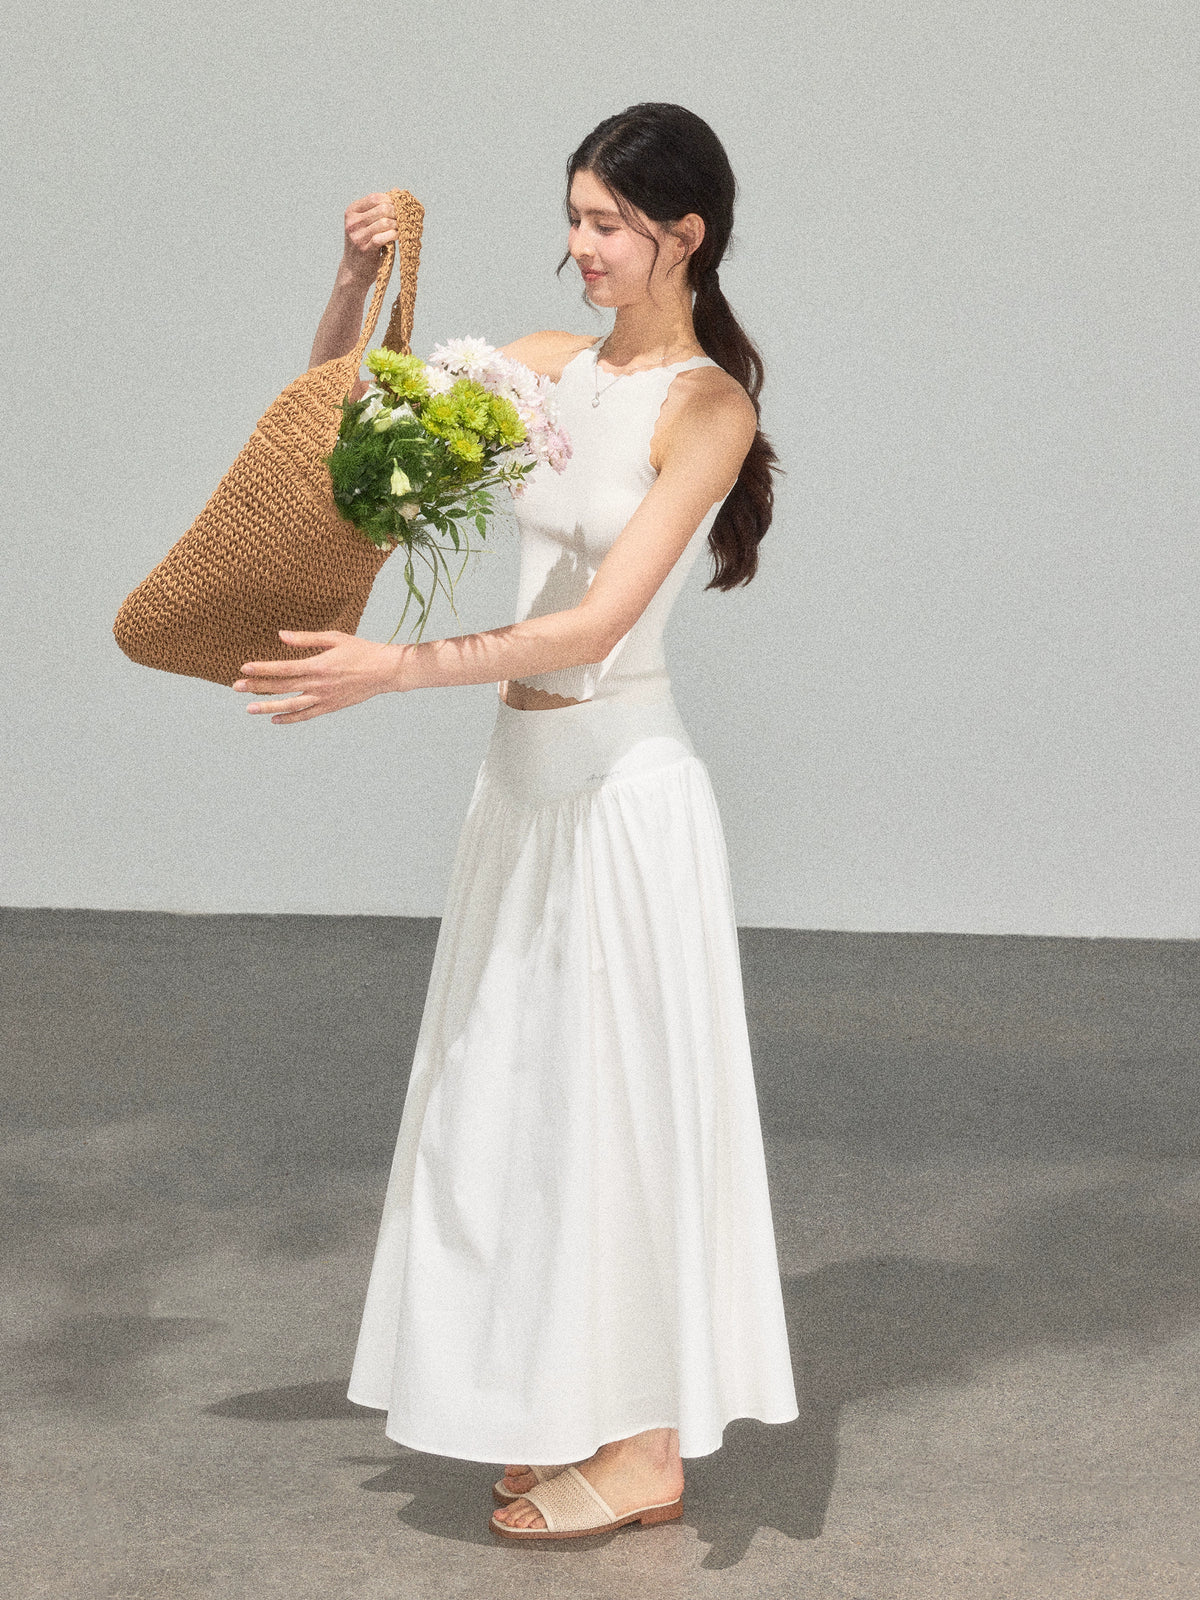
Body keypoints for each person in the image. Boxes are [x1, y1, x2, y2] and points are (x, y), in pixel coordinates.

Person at [233, 101, 799, 1542]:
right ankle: (574, 1405)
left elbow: (597, 626)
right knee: (518, 1106)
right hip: (523, 789)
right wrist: (356, 285)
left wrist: (392, 669)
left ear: (687, 235)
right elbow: (339, 424)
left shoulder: (708, 411)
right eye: (575, 218)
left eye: (611, 223)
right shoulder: (545, 370)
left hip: (623, 802)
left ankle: (648, 1449)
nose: (582, 246)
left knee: (620, 1116)